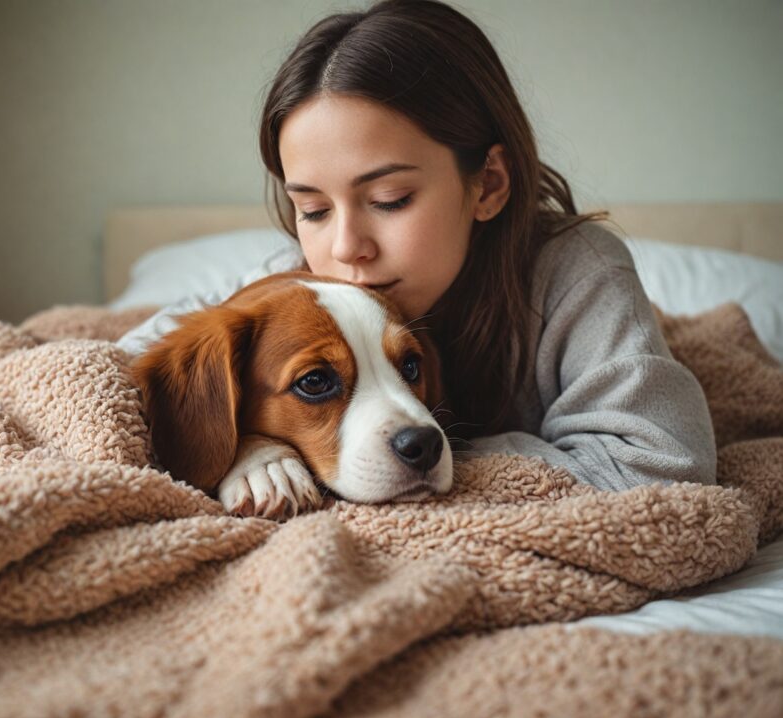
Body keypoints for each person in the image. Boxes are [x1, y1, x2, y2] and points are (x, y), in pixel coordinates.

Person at [119, 0, 716, 493]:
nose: (347, 247)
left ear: (489, 184)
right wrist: (253, 447)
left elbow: (664, 463)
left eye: (390, 199)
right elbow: (141, 380)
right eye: (313, 210)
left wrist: (447, 458)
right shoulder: (299, 285)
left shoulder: (578, 272)